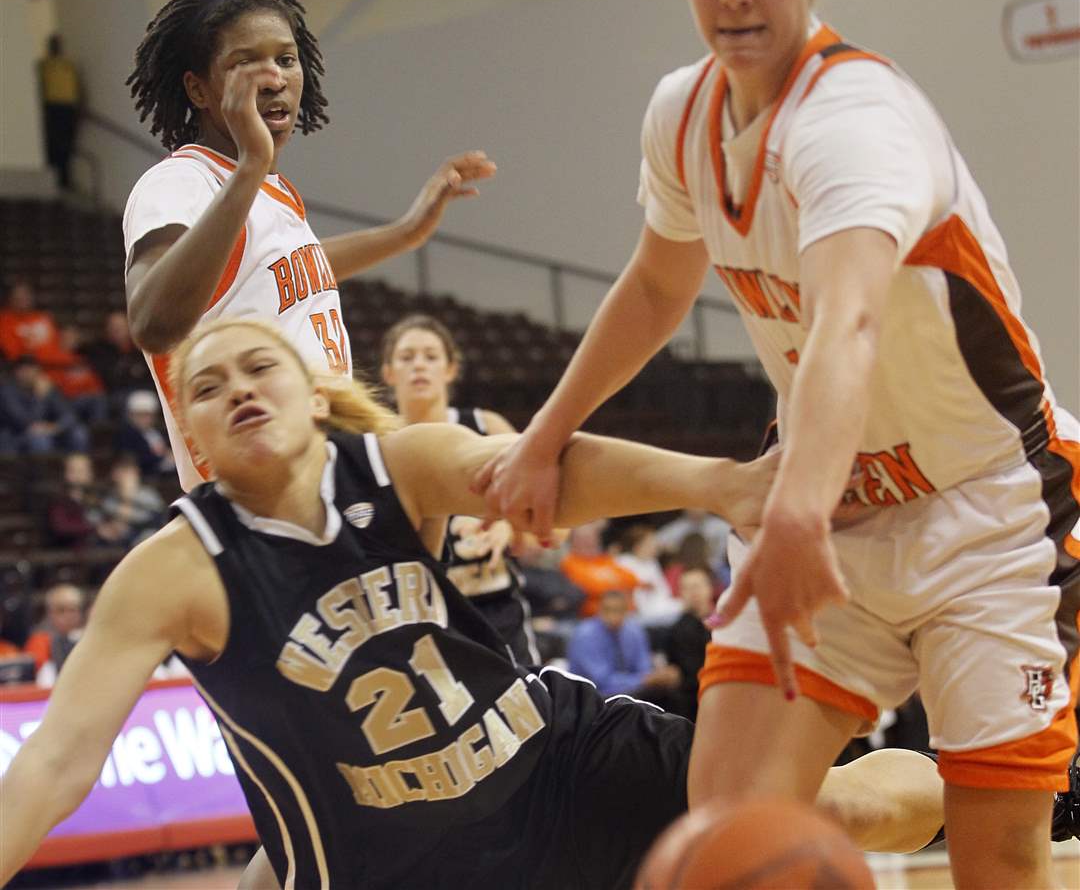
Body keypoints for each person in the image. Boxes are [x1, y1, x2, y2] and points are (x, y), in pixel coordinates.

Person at [474, 0, 1079, 886]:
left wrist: (791, 513)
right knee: (728, 826)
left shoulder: (855, 120)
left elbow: (846, 321)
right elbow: (658, 285)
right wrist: (543, 436)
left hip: (988, 510)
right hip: (834, 499)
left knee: (1001, 862)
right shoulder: (686, 112)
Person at [0, 318, 947, 889]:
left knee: (825, 813)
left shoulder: (392, 464)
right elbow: (58, 761)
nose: (238, 389)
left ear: (312, 396)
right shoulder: (177, 567)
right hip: (402, 865)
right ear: (192, 436)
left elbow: (546, 479)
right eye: (208, 387)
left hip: (553, 767)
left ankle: (1026, 790)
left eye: (259, 369)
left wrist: (724, 485)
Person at [123, 0, 496, 492]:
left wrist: (407, 232)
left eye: (286, 58)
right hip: (255, 491)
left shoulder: (269, 194)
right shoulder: (178, 181)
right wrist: (252, 163)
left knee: (490, 463)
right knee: (492, 458)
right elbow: (152, 320)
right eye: (243, 63)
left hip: (324, 469)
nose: (273, 77)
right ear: (198, 89)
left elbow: (288, 265)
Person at [380, 313, 538, 664]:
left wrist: (509, 521)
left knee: (526, 710)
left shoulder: (484, 425)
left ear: (450, 369)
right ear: (388, 372)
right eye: (406, 357)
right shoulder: (376, 442)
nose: (419, 365)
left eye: (431, 356)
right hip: (422, 610)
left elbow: (548, 514)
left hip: (492, 603)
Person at [566, 589, 680, 704]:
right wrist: (644, 680)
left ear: (627, 611)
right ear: (599, 610)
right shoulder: (585, 635)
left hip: (630, 691)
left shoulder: (634, 631)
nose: (612, 616)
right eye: (607, 610)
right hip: (591, 697)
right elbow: (601, 681)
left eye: (618, 610)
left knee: (669, 690)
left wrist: (656, 676)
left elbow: (644, 667)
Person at [0, 356, 88, 456]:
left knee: (79, 433)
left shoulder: (46, 387)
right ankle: (46, 471)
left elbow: (69, 414)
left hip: (48, 431)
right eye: (26, 371)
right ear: (17, 372)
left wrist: (54, 427)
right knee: (40, 440)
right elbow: (24, 422)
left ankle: (78, 469)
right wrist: (39, 398)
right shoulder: (7, 391)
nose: (31, 374)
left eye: (34, 370)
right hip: (16, 436)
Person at [664, 566, 716, 721]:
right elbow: (689, 673)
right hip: (694, 700)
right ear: (680, 593)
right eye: (687, 588)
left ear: (710, 588)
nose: (694, 593)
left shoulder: (725, 623)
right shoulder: (678, 630)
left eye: (697, 586)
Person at [559, 519, 640, 617]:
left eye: (592, 538)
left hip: (626, 615)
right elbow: (592, 587)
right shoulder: (569, 563)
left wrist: (606, 581)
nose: (590, 542)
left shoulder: (604, 559)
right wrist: (615, 582)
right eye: (584, 539)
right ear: (573, 542)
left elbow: (632, 579)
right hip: (594, 618)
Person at [38, 34, 82, 192]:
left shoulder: (68, 66)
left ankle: (66, 179)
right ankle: (54, 181)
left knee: (67, 145)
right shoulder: (44, 66)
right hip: (51, 108)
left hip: (68, 109)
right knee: (53, 144)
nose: (56, 47)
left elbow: (78, 88)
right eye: (53, 44)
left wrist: (79, 108)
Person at [23, 582, 84, 684]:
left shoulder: (87, 638)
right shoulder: (39, 641)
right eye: (61, 610)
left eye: (73, 610)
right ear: (50, 613)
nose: (68, 616)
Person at [115, 389, 175, 480]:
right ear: (131, 415)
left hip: (169, 474)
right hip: (146, 476)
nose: (144, 419)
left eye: (147, 415)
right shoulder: (127, 436)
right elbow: (133, 458)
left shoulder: (159, 433)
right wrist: (162, 459)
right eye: (140, 415)